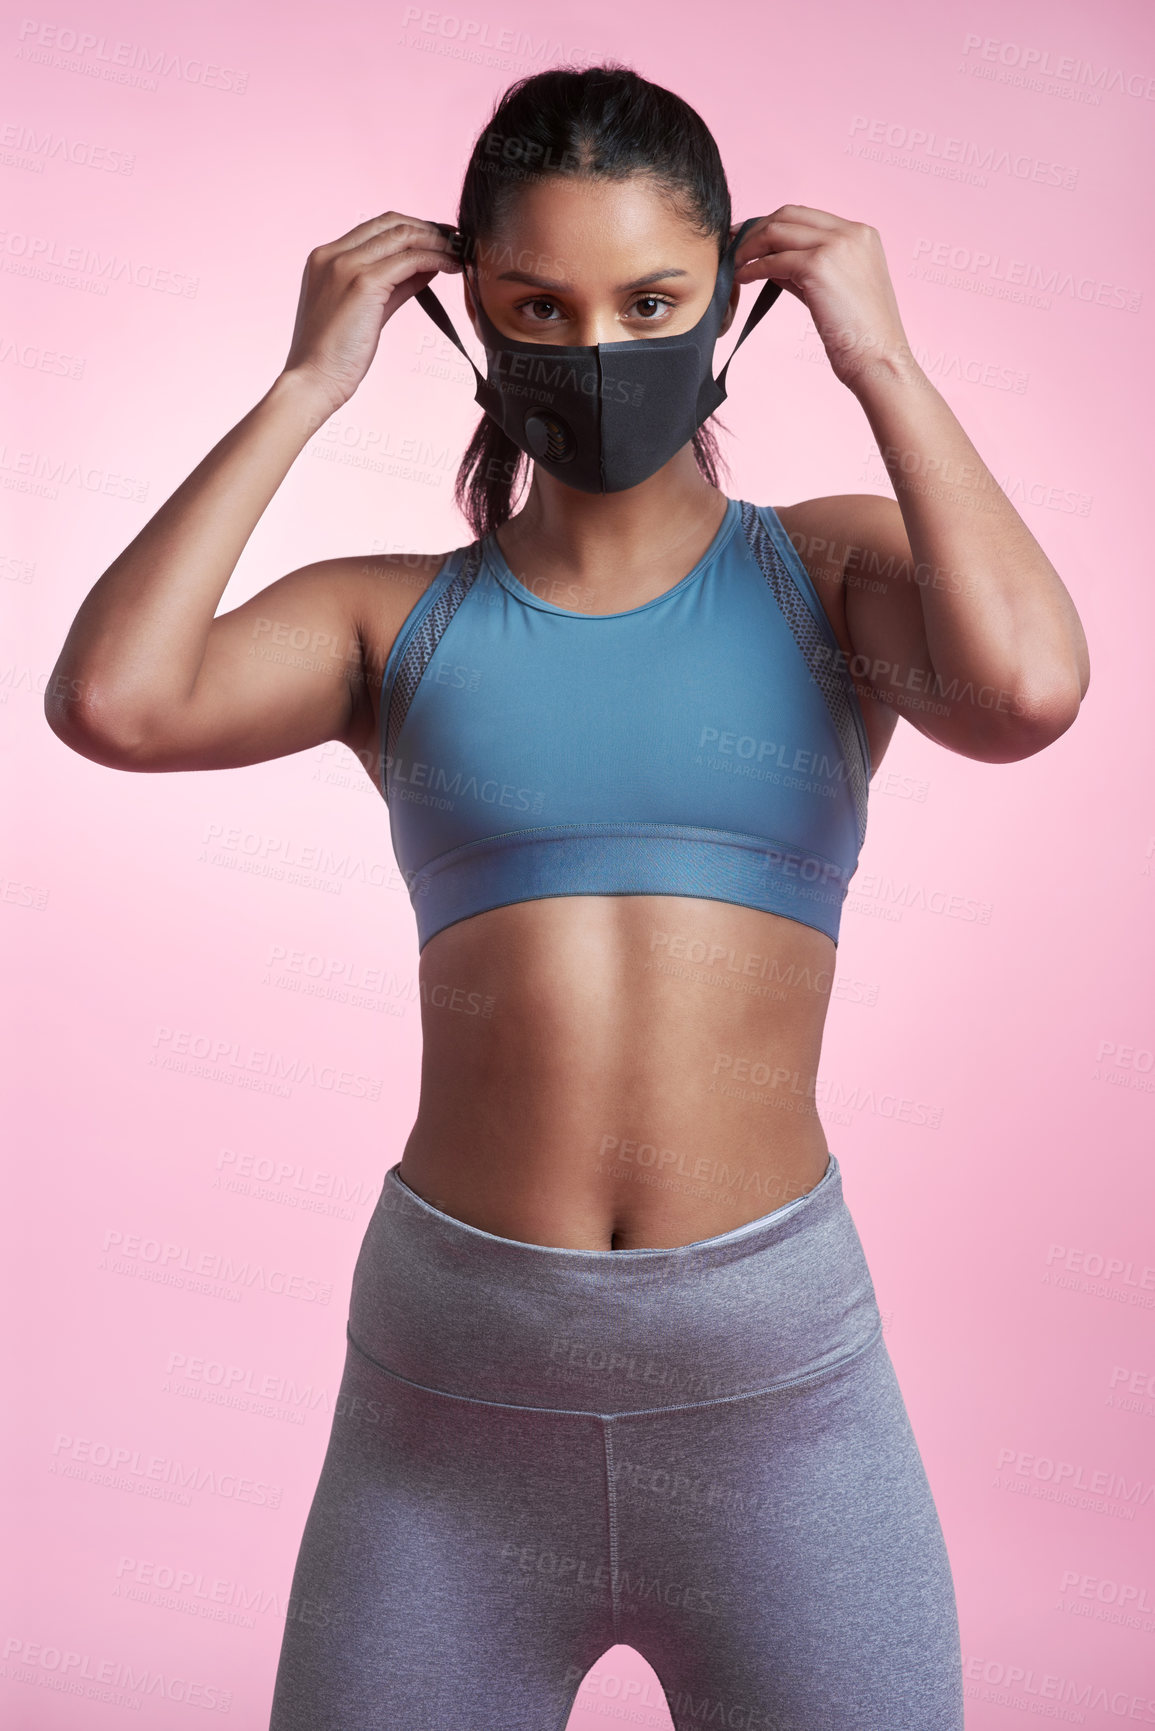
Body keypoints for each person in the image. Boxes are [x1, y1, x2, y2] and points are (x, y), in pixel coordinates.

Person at [45, 60, 1089, 1731]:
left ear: (730, 300)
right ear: (473, 314)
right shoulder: (391, 621)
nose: (597, 349)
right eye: (540, 303)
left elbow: (1029, 690)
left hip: (775, 1402)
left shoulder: (822, 576)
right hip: (451, 1402)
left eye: (652, 300)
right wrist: (309, 382)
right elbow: (116, 703)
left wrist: (880, 353)